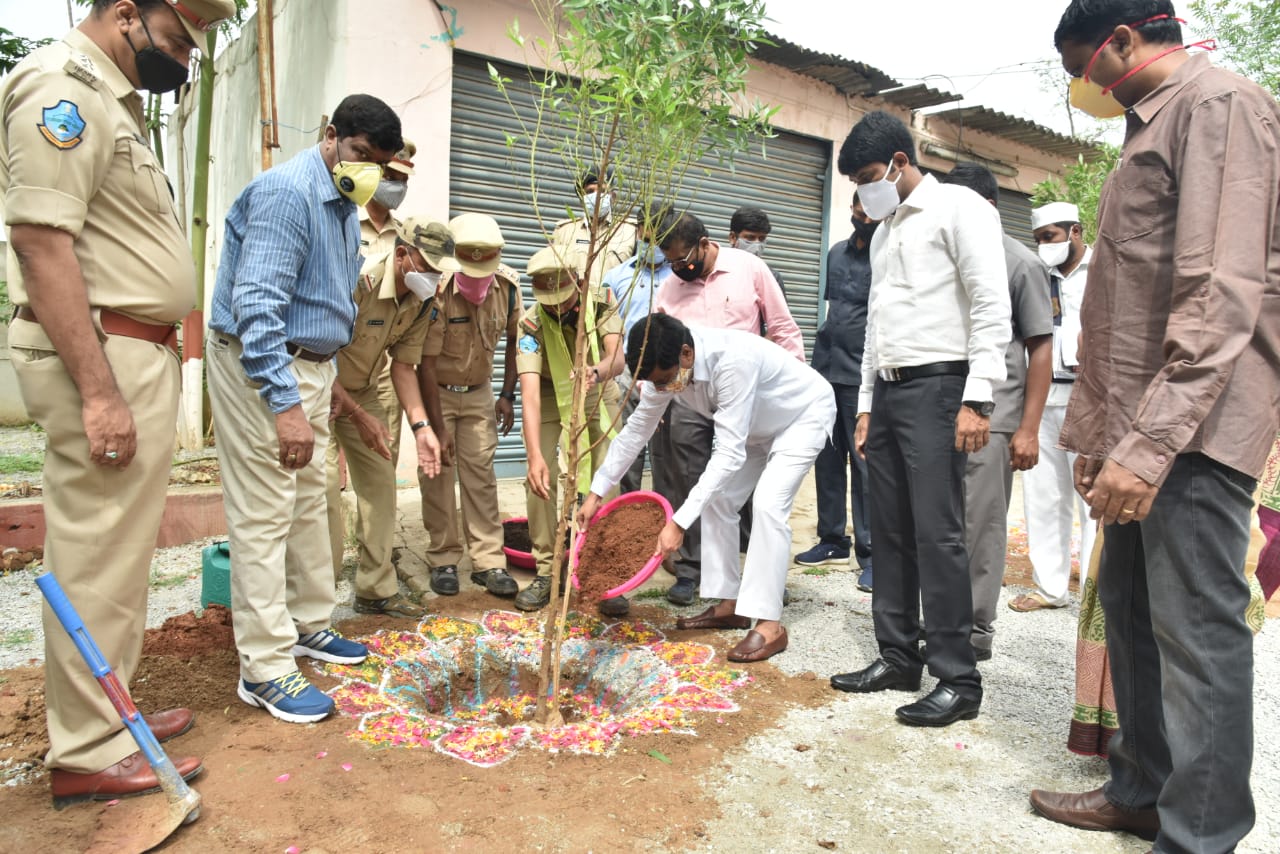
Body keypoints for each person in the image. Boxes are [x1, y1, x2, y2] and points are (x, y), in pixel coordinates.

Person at [1029, 2, 1280, 850]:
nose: (1085, 87)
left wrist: (1149, 444)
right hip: (1140, 427)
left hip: (1193, 430)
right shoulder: (1152, 125)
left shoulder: (1218, 106)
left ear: (1126, 40)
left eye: (1086, 66)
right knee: (1130, 610)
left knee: (1198, 629)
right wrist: (1103, 439)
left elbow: (1220, 292)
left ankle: (1200, 836)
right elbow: (1127, 304)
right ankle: (1140, 788)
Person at [0, 0, 236, 808]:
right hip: (99, 353)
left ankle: (114, 713)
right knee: (96, 557)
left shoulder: (113, 102)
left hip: (135, 349)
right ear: (126, 13)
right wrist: (99, 390)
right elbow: (41, 241)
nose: (182, 56)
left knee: (121, 557)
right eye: (176, 39)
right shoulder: (58, 89)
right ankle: (87, 749)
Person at [207, 94, 405, 724]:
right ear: (331, 136)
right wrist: (285, 404)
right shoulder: (286, 195)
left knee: (309, 499)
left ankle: (306, 624)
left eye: (380, 162)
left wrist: (328, 392)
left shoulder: (343, 203)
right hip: (263, 366)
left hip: (312, 368)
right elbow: (258, 308)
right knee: (264, 511)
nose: (369, 170)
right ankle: (264, 667)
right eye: (361, 155)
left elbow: (318, 307)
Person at [828, 111, 1010, 729]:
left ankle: (958, 678)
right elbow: (878, 325)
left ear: (901, 163)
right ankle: (898, 655)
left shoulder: (960, 209)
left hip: (942, 387)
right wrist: (865, 405)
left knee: (939, 533)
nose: (864, 190)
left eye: (869, 176)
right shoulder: (882, 233)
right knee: (890, 530)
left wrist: (978, 397)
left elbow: (990, 301)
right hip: (890, 392)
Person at [578, 313, 835, 662]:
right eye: (656, 384)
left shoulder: (731, 362)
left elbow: (728, 454)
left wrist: (678, 523)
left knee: (767, 505)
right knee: (718, 501)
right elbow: (637, 430)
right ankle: (732, 604)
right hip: (754, 428)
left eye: (665, 380)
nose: (664, 389)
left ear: (686, 354)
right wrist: (596, 492)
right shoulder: (663, 371)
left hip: (801, 416)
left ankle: (769, 624)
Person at [651, 211, 804, 606]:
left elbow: (783, 328)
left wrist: (792, 391)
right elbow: (657, 343)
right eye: (670, 261)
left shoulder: (750, 268)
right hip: (691, 397)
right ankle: (691, 571)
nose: (678, 268)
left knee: (750, 488)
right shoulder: (669, 288)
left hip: (744, 396)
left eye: (684, 259)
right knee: (690, 478)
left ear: (704, 243)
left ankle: (759, 571)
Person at [940, 164, 1054, 661]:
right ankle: (943, 619)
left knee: (980, 527)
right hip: (944, 410)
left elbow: (1040, 349)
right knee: (942, 522)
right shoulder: (945, 254)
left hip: (997, 415)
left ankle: (976, 631)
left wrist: (1028, 428)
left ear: (986, 206)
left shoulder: (1020, 262)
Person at [324, 216, 448, 617]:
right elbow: (316, 354)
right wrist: (359, 414)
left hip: (359, 390)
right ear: (401, 255)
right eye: (426, 268)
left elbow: (403, 367)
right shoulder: (357, 282)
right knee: (321, 489)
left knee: (380, 480)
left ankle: (374, 588)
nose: (432, 278)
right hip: (316, 390)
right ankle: (315, 595)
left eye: (437, 271)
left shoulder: (423, 299)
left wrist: (422, 427)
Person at [512, 245, 625, 614]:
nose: (557, 309)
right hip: (549, 389)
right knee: (539, 477)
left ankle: (603, 572)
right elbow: (529, 394)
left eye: (563, 300)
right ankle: (548, 570)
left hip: (596, 381)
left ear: (577, 281)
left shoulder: (602, 300)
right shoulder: (530, 323)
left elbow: (618, 357)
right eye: (549, 302)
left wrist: (596, 371)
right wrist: (533, 457)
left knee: (607, 475)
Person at [418, 212, 522, 599]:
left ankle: (489, 562)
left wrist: (507, 394)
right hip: (437, 391)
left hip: (479, 392)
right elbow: (425, 363)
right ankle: (443, 557)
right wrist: (436, 427)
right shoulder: (438, 291)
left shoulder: (508, 289)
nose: (478, 275)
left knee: (481, 476)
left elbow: (515, 343)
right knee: (437, 474)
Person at [1013, 200, 1096, 612]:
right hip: (1042, 398)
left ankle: (1100, 593)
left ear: (1075, 232)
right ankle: (1051, 589)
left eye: (1050, 237)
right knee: (1044, 495)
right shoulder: (1036, 274)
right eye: (1039, 239)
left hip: (1090, 398)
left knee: (1092, 497)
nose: (1044, 246)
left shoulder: (1103, 271)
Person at [794, 198, 878, 592]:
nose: (862, 217)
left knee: (864, 465)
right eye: (858, 209)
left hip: (862, 374)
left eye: (869, 211)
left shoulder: (888, 253)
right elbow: (836, 311)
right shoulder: (836, 253)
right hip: (825, 370)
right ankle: (832, 540)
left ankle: (872, 553)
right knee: (826, 458)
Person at [601, 201, 672, 494]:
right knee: (626, 453)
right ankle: (628, 511)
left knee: (665, 455)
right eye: (646, 235)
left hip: (668, 378)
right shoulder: (616, 277)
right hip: (627, 376)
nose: (651, 243)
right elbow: (605, 328)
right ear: (637, 231)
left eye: (659, 236)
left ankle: (665, 515)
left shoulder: (679, 277)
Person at [361, 137, 419, 461]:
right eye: (390, 178)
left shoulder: (405, 237)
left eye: (403, 181)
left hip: (382, 367)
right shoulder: (346, 224)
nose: (397, 187)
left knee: (382, 457)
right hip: (339, 360)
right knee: (326, 470)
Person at [551, 167, 637, 290]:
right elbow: (554, 277)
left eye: (602, 191)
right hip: (579, 308)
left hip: (617, 307)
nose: (596, 197)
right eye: (590, 192)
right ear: (582, 198)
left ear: (613, 197)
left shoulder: (630, 231)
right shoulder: (564, 232)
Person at [728, 206, 786, 296]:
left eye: (762, 238)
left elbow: (778, 310)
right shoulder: (714, 271)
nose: (757, 246)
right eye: (750, 238)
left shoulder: (771, 277)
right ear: (733, 238)